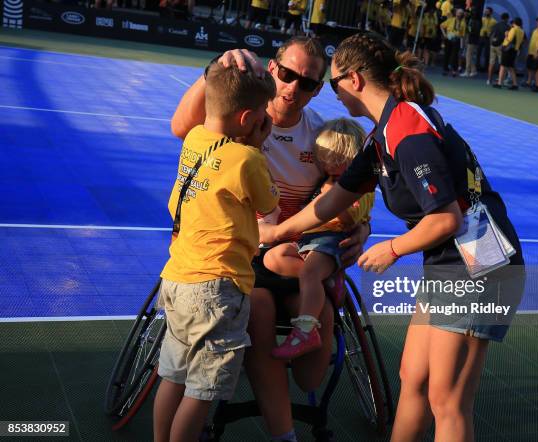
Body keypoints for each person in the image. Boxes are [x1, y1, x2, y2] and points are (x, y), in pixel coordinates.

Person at [259, 32, 525, 442]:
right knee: (412, 378)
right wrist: (276, 232)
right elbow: (329, 205)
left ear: (355, 80)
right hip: (451, 260)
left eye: (332, 85)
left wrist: (392, 248)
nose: (332, 97)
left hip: (480, 261)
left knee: (448, 400)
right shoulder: (380, 137)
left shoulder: (406, 129)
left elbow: (445, 219)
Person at [170, 37, 370, 442]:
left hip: (296, 257)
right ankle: (285, 435)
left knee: (315, 337)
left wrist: (362, 229)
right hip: (242, 259)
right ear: (271, 67)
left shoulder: (321, 134)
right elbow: (180, 127)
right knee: (259, 317)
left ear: (317, 90)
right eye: (288, 74)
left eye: (309, 83)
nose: (294, 87)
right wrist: (213, 70)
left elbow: (352, 190)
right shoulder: (233, 117)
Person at [153, 62, 279, 442]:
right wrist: (256, 146)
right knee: (201, 391)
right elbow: (269, 204)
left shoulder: (193, 138)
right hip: (218, 289)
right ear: (248, 119)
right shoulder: (249, 160)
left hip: (177, 278)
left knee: (173, 377)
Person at [263, 118, 374, 359]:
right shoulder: (330, 181)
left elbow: (351, 217)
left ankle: (306, 330)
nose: (329, 166)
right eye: (325, 161)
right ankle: (328, 279)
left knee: (308, 273)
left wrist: (334, 198)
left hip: (331, 241)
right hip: (310, 241)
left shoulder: (357, 186)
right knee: (273, 257)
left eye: (337, 162)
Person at [494, 17, 525, 90]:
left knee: (502, 66)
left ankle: (499, 83)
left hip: (508, 50)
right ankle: (515, 84)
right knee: (511, 67)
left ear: (514, 23)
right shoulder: (522, 31)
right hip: (515, 50)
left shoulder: (513, 29)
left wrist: (506, 35)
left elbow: (509, 40)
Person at [440, 8, 467, 77]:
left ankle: (454, 71)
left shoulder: (463, 23)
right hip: (449, 38)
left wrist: (463, 44)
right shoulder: (450, 20)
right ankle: (445, 70)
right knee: (447, 54)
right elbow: (441, 26)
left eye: (461, 13)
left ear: (462, 14)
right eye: (458, 13)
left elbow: (463, 35)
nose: (459, 14)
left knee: (454, 55)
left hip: (457, 40)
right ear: (456, 13)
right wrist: (445, 35)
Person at [487, 12, 510, 85]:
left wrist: (491, 43)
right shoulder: (507, 27)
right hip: (501, 46)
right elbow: (507, 38)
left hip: (492, 45)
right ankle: (501, 80)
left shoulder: (495, 25)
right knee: (502, 64)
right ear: (507, 19)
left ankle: (489, 80)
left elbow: (490, 35)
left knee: (491, 63)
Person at [477, 7, 496, 71]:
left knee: (487, 53)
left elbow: (494, 31)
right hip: (481, 37)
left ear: (491, 12)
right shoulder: (482, 19)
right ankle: (478, 66)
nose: (485, 12)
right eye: (485, 11)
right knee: (478, 52)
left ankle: (486, 67)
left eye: (487, 11)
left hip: (487, 38)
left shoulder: (494, 21)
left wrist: (490, 35)